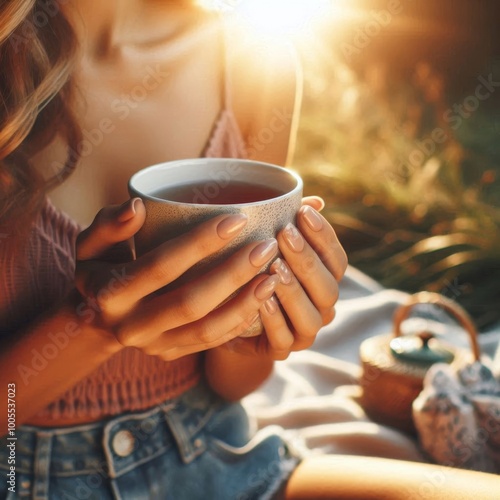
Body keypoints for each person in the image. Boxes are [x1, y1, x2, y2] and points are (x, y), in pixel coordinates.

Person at [1, 2, 499, 499]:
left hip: (217, 457)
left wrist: (254, 329)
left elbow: (233, 382)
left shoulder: (253, 61)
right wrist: (88, 328)